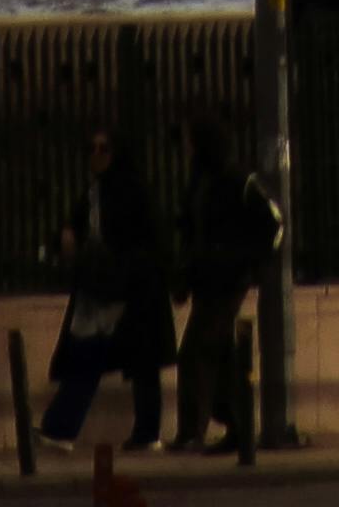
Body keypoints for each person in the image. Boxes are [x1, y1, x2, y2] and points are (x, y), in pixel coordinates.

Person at [42, 121, 174, 452]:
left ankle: (142, 433)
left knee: (130, 362)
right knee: (93, 357)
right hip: (103, 289)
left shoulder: (132, 191)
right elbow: (76, 229)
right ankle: (62, 429)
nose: (97, 156)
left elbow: (151, 241)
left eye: (104, 149)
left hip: (128, 290)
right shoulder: (94, 193)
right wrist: (65, 236)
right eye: (92, 149)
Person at [176, 113, 280, 466]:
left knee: (197, 351)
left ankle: (194, 430)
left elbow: (273, 222)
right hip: (207, 279)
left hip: (228, 279)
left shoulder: (238, 180)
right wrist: (185, 275)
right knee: (222, 356)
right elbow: (192, 231)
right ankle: (236, 425)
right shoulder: (200, 181)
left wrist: (250, 263)